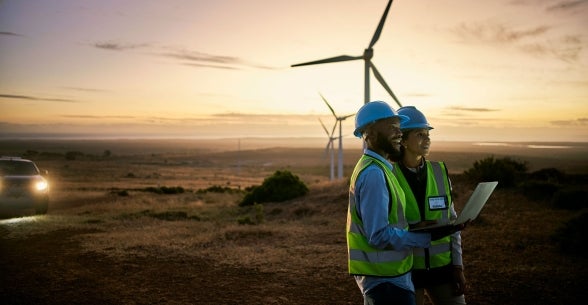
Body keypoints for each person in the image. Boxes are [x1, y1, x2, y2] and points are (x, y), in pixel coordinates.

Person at [347, 101, 459, 305]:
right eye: (392, 126)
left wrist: (416, 227)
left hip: (392, 276)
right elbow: (379, 235)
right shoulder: (374, 173)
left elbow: (389, 223)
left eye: (399, 127)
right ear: (369, 133)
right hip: (386, 281)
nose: (398, 133)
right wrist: (424, 237)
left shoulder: (379, 169)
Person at [391, 106, 467, 305]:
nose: (427, 139)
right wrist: (415, 228)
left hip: (442, 269)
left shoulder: (440, 172)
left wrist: (457, 266)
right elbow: (383, 226)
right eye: (420, 134)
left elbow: (452, 223)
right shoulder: (388, 176)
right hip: (407, 270)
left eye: (428, 134)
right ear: (404, 140)